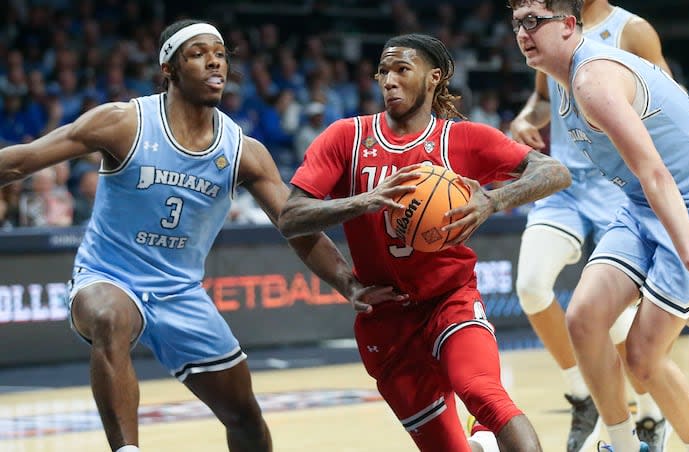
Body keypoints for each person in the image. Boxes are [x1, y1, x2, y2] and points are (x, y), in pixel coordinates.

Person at [0, 19, 395, 452]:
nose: (214, 63)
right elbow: (23, 161)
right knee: (112, 318)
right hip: (107, 277)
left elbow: (295, 225)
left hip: (181, 293)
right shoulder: (124, 122)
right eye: (198, 53)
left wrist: (349, 283)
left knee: (244, 416)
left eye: (221, 55)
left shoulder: (242, 150)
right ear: (168, 68)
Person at [278, 33, 571, 452]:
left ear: (433, 78)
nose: (389, 80)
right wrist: (359, 224)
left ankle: (488, 436)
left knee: (485, 394)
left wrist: (493, 199)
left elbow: (554, 171)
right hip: (386, 317)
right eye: (383, 71)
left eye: (401, 69)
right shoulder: (347, 137)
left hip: (449, 299)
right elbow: (291, 218)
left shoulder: (463, 139)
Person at [509, 1, 689, 452]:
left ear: (566, 25)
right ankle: (620, 444)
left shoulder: (592, 79)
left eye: (534, 22)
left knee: (642, 358)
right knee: (583, 319)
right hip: (641, 203)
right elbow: (646, 181)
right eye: (518, 23)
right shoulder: (560, 78)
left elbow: (655, 171)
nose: (524, 32)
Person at [508, 1, 672, 450]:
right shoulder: (549, 23)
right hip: (563, 184)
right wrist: (525, 120)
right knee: (531, 285)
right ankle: (581, 394)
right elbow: (543, 99)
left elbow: (667, 104)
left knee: (618, 321)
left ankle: (653, 416)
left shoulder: (633, 31)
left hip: (619, 186)